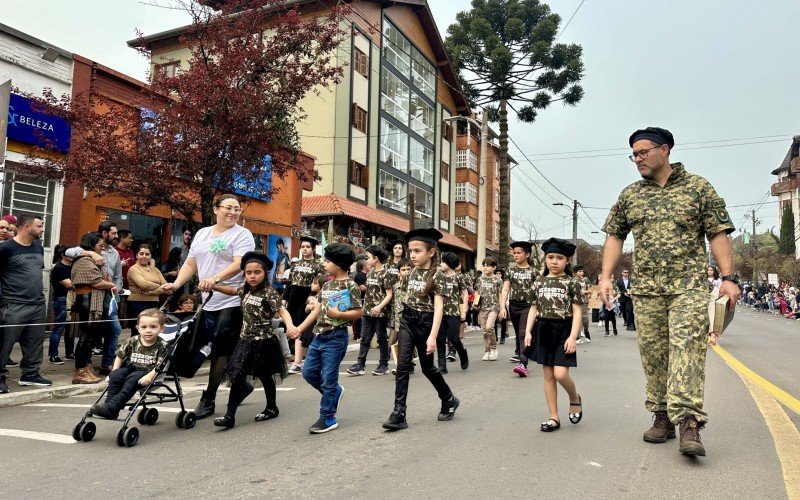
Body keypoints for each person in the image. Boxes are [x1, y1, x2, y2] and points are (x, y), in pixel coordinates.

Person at [600, 126, 739, 457]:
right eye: (633, 154)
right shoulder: (631, 194)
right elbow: (615, 235)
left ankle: (689, 422)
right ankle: (662, 415)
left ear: (665, 150)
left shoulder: (698, 188)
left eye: (643, 152)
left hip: (688, 287)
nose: (637, 159)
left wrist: (728, 277)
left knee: (687, 350)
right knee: (654, 355)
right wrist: (605, 276)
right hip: (646, 290)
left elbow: (718, 233)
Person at [162, 194, 256, 419]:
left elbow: (239, 263)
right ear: (216, 209)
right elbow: (191, 262)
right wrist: (175, 285)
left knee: (221, 346)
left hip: (233, 299)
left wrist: (215, 279)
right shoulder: (203, 233)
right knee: (206, 346)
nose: (233, 212)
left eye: (237, 209)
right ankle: (241, 384)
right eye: (228, 207)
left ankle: (209, 398)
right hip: (208, 301)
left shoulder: (243, 234)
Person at [382, 228, 460, 431]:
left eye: (418, 251)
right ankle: (399, 412)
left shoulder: (438, 276)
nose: (413, 255)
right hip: (409, 320)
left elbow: (439, 308)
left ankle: (448, 398)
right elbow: (408, 296)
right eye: (411, 251)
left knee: (428, 368)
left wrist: (433, 337)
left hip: (427, 323)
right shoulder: (411, 272)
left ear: (431, 252)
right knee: (403, 366)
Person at [210, 252, 297, 428]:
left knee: (265, 376)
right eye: (248, 272)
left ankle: (272, 408)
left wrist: (290, 326)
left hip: (264, 343)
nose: (252, 276)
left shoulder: (269, 293)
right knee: (237, 377)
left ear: (265, 273)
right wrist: (214, 286)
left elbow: (282, 310)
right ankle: (229, 416)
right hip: (245, 341)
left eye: (257, 272)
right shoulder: (246, 290)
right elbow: (233, 291)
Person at [292, 243, 361, 434]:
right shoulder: (328, 284)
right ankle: (334, 393)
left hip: (336, 337)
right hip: (318, 336)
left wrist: (339, 314)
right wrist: (300, 328)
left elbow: (358, 312)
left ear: (338, 265)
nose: (324, 263)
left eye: (328, 261)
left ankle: (328, 417)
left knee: (329, 379)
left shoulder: (351, 285)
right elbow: (317, 310)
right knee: (308, 372)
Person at [523, 238, 584, 433]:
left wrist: (573, 336)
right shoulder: (538, 282)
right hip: (543, 329)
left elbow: (577, 311)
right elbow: (533, 308)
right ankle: (553, 417)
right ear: (545, 259)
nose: (554, 261)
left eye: (560, 258)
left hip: (564, 329)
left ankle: (574, 398)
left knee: (561, 373)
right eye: (550, 257)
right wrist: (528, 332)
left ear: (567, 261)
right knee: (548, 374)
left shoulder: (572, 283)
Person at [0, 213, 52, 393]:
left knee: (35, 341)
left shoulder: (38, 246)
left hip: (37, 303)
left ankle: (30, 374)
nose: (43, 229)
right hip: (13, 304)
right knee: (4, 343)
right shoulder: (6, 248)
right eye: (39, 226)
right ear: (27, 227)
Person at [66, 221, 123, 375]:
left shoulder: (114, 253)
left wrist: (114, 287)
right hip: (90, 301)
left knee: (103, 332)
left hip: (106, 298)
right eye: (114, 233)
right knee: (88, 334)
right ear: (104, 234)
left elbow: (117, 275)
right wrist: (91, 253)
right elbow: (68, 252)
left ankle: (102, 364)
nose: (117, 236)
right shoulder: (84, 255)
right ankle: (83, 367)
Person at [90, 308, 168, 420]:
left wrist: (150, 376)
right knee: (116, 376)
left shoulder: (163, 345)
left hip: (148, 373)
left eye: (153, 327)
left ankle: (113, 406)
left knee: (133, 378)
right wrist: (114, 371)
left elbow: (160, 365)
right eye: (144, 327)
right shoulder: (133, 340)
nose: (148, 330)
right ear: (138, 328)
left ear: (162, 328)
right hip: (132, 369)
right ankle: (109, 407)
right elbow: (120, 355)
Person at [347, 245, 393, 376]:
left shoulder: (386, 274)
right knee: (365, 338)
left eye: (368, 257)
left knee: (381, 338)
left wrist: (379, 307)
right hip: (367, 312)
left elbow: (389, 294)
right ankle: (360, 365)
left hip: (380, 313)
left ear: (376, 258)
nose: (366, 260)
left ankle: (383, 364)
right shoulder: (370, 272)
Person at [284, 236, 325, 374]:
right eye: (303, 247)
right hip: (293, 297)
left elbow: (319, 284)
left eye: (307, 247)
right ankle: (298, 359)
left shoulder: (318, 264)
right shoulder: (295, 264)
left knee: (303, 329)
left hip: (308, 297)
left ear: (313, 249)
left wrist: (312, 300)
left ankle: (300, 360)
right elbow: (289, 283)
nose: (305, 249)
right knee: (292, 327)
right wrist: (284, 299)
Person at [499, 240, 538, 377]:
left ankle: (523, 363)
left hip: (528, 306)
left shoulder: (534, 272)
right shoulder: (510, 271)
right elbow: (505, 289)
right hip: (514, 305)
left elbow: (539, 290)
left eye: (518, 253)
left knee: (522, 333)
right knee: (518, 332)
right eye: (514, 253)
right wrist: (502, 307)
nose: (515, 255)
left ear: (527, 254)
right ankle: (522, 353)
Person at [436, 252, 469, 374]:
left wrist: (464, 310)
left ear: (449, 264)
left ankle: (462, 353)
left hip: (454, 311)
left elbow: (465, 293)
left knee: (454, 338)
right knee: (439, 338)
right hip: (440, 311)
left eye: (443, 262)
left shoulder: (458, 277)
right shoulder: (439, 276)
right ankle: (442, 365)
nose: (441, 264)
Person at [126, 244, 167, 337]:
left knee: (152, 332)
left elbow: (166, 286)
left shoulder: (155, 270)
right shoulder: (134, 269)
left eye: (147, 254)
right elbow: (144, 285)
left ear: (151, 256)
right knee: (138, 333)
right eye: (141, 253)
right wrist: (159, 287)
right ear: (137, 255)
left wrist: (152, 292)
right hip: (137, 304)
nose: (144, 256)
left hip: (154, 303)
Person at [48, 245, 74, 364]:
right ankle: (53, 355)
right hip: (61, 299)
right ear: (63, 255)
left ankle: (70, 352)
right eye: (70, 253)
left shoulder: (73, 266)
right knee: (59, 327)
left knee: (71, 327)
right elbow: (69, 284)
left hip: (72, 299)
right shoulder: (59, 268)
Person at [473, 257, 502, 361]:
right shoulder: (480, 279)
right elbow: (477, 292)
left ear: (494, 267)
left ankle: (493, 349)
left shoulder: (498, 280)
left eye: (488, 265)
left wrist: (502, 308)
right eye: (484, 265)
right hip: (482, 308)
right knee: (484, 331)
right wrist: (475, 303)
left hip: (494, 307)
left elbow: (500, 294)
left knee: (490, 327)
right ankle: (487, 350)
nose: (485, 267)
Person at [388, 258, 412, 375]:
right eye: (403, 269)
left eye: (409, 269)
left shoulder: (413, 286)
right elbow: (393, 304)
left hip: (410, 319)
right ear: (399, 272)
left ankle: (404, 367)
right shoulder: (396, 285)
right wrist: (392, 320)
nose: (406, 272)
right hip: (397, 319)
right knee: (395, 343)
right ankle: (406, 366)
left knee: (405, 344)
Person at [574, 265, 592, 344]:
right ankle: (577, 336)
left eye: (582, 271)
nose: (581, 273)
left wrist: (587, 293)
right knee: (576, 318)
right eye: (579, 271)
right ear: (575, 272)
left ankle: (586, 331)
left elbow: (590, 289)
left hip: (584, 302)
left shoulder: (585, 280)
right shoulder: (573, 280)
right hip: (575, 302)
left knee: (585, 319)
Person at [351, 258, 367, 341]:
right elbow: (362, 288)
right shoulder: (360, 275)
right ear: (364, 266)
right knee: (359, 317)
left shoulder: (366, 274)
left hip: (364, 298)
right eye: (368, 264)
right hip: (361, 299)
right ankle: (359, 335)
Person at [706, 266, 722, 345]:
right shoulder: (703, 279)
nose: (709, 271)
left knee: (712, 319)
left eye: (711, 270)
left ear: (714, 271)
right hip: (704, 300)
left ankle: (712, 338)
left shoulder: (718, 280)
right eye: (708, 270)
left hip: (713, 300)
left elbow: (720, 290)